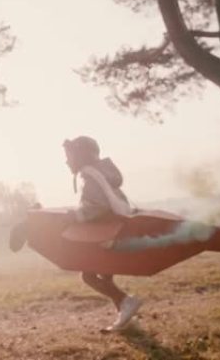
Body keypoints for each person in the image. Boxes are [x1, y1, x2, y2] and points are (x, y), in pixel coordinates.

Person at [62, 135, 142, 332]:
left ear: (81, 156)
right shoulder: (100, 173)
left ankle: (125, 301)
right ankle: (124, 317)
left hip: (108, 236)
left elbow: (96, 206)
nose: (66, 161)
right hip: (116, 231)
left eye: (69, 156)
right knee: (104, 276)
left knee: (88, 275)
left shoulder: (90, 176)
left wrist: (72, 216)